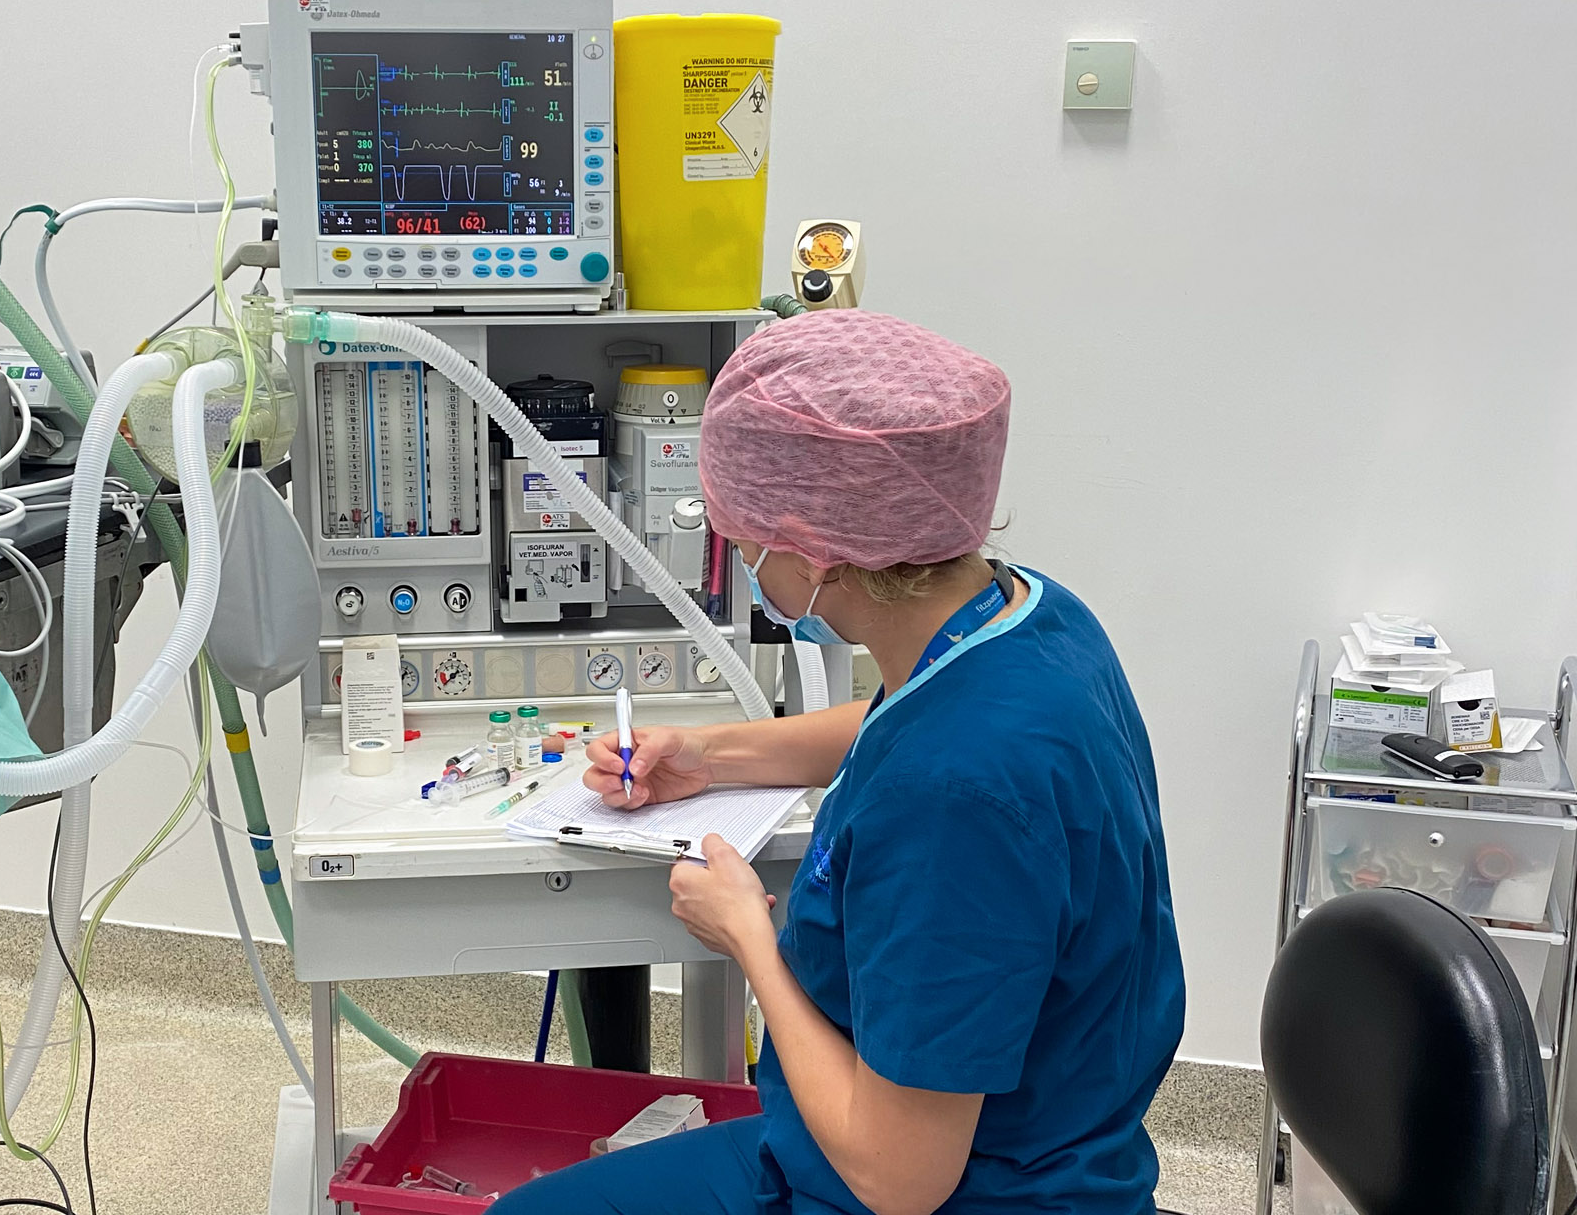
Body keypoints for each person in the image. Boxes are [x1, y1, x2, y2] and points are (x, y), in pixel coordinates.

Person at [493, 310, 1184, 1215]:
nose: (740, 560)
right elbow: (900, 714)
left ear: (813, 550)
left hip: (965, 1190)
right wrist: (708, 754)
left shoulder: (955, 797)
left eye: (744, 541)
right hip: (1014, 1140)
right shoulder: (1032, 617)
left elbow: (900, 1179)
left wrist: (749, 937)